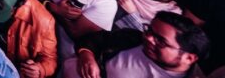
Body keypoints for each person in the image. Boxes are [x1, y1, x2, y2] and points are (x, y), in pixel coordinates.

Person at [68, 11, 209, 78]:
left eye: (160, 41)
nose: (148, 38)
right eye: (149, 30)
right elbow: (93, 40)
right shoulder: (133, 37)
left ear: (189, 58)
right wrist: (86, 55)